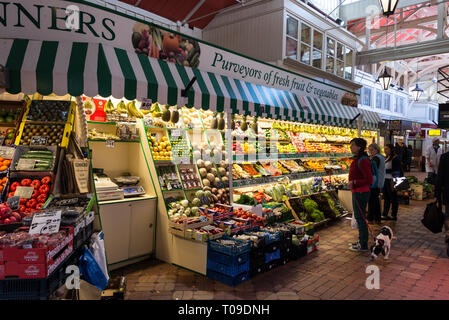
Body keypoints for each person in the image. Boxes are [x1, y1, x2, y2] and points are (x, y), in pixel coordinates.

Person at [348, 138, 373, 252]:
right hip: (358, 191)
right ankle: (361, 241)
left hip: (360, 192)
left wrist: (354, 182)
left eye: (353, 145)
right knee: (360, 217)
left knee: (360, 218)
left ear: (359, 147)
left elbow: (369, 179)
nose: (351, 147)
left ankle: (363, 244)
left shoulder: (363, 160)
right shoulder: (359, 159)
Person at [382, 144, 402, 221]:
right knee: (386, 198)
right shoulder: (385, 157)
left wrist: (384, 171)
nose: (385, 150)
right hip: (385, 179)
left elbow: (396, 170)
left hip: (391, 181)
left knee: (393, 198)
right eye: (384, 149)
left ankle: (394, 215)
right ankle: (385, 214)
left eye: (386, 149)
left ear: (391, 149)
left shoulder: (395, 158)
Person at [367, 143, 385, 225]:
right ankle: (377, 218)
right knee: (376, 200)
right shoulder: (381, 157)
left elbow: (372, 170)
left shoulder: (376, 158)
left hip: (374, 183)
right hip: (379, 181)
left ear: (376, 150)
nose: (370, 151)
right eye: (369, 150)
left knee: (372, 201)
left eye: (372, 150)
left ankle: (371, 218)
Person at [435, 151, 449, 257]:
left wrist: (438, 194)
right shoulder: (444, 157)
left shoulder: (445, 157)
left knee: (448, 218)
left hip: (448, 194)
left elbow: (440, 177)